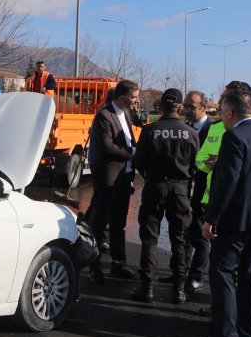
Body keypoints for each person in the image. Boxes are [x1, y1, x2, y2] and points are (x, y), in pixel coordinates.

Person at [196, 85, 251, 337]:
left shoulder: (234, 137)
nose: (221, 116)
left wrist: (211, 218)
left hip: (235, 220)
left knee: (222, 272)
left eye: (223, 111)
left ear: (230, 111)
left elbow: (227, 183)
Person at [132, 88, 199, 303]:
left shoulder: (150, 130)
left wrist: (150, 176)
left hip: (155, 186)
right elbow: (196, 164)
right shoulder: (191, 133)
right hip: (180, 189)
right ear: (179, 108)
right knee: (179, 239)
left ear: (160, 107)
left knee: (149, 238)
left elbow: (139, 162)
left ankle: (147, 288)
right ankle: (179, 290)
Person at [85, 79, 140, 283]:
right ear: (121, 96)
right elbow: (107, 148)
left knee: (119, 223)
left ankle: (119, 263)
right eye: (134, 97)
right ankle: (94, 265)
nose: (136, 101)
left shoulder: (126, 114)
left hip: (124, 178)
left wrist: (131, 174)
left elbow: (128, 140)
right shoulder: (103, 115)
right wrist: (133, 153)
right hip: (108, 180)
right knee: (100, 224)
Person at [161, 90, 212, 294]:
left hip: (203, 193)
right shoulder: (186, 128)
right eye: (186, 105)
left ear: (204, 108)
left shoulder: (213, 130)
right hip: (184, 192)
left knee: (200, 237)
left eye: (192, 106)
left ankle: (196, 277)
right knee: (183, 234)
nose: (187, 110)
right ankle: (179, 272)